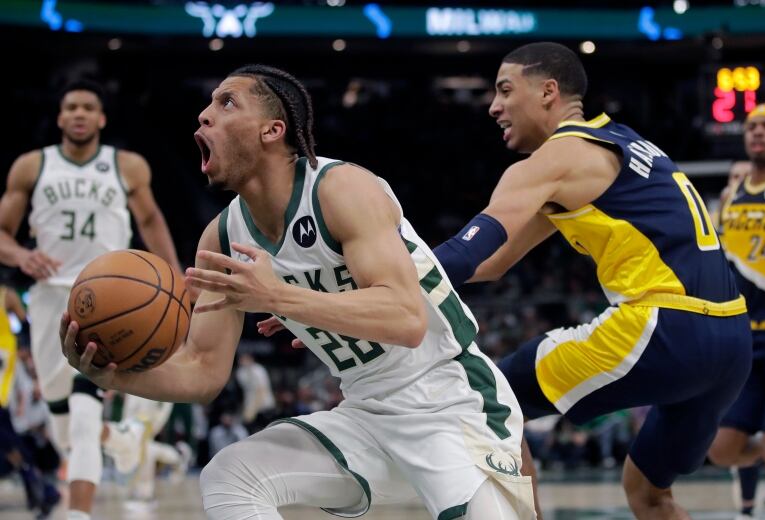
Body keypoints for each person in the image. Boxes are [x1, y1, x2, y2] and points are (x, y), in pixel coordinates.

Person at [59, 64, 536, 519]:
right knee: (229, 476)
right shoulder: (221, 238)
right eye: (207, 103)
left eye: (226, 103)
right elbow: (202, 372)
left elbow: (406, 319)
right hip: (366, 414)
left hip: (451, 400)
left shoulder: (340, 187)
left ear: (272, 129)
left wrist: (279, 297)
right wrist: (112, 378)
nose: (204, 114)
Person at [428, 42, 752, 519]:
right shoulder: (624, 143)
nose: (493, 106)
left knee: (490, 398)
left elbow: (467, 250)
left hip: (666, 327)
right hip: (730, 339)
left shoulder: (557, 157)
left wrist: (370, 282)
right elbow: (491, 263)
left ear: (548, 92)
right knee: (647, 492)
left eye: (504, 90)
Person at [0, 79, 182, 520]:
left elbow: (152, 221)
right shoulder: (31, 166)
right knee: (62, 422)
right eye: (71, 107)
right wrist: (22, 254)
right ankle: (118, 437)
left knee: (82, 415)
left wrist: (178, 281)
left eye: (88, 107)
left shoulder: (127, 165)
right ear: (61, 117)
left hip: (108, 300)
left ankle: (77, 514)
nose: (79, 113)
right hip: (49, 299)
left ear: (101, 118)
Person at [707, 103, 765, 519]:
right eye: (752, 127)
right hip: (744, 336)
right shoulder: (732, 193)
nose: (757, 133)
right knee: (722, 449)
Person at [0, 285, 61, 518]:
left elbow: (27, 329)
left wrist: (35, 364)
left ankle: (43, 490)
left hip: (3, 370)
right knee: (8, 442)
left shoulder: (8, 295)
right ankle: (42, 492)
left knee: (8, 438)